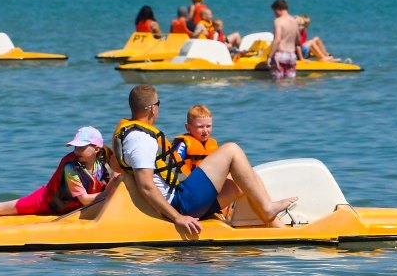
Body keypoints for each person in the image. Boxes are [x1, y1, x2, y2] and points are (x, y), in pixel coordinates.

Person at [113, 85, 297, 235]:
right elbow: (146, 186)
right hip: (180, 202)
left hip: (183, 198)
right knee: (231, 149)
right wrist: (178, 217)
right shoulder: (140, 139)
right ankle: (267, 208)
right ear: (153, 108)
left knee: (244, 180)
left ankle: (278, 230)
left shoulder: (132, 134)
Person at [0, 126, 112, 223]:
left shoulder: (104, 163)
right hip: (46, 201)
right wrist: (109, 193)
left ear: (96, 148)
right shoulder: (71, 167)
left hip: (67, 207)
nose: (76, 150)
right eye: (75, 146)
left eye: (81, 147)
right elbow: (85, 200)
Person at [267, 0, 300, 79]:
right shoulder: (294, 21)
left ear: (278, 9)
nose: (274, 14)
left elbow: (277, 40)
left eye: (274, 12)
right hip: (292, 56)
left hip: (280, 55)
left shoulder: (278, 21)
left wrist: (270, 56)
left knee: (278, 85)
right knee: (290, 83)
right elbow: (298, 39)